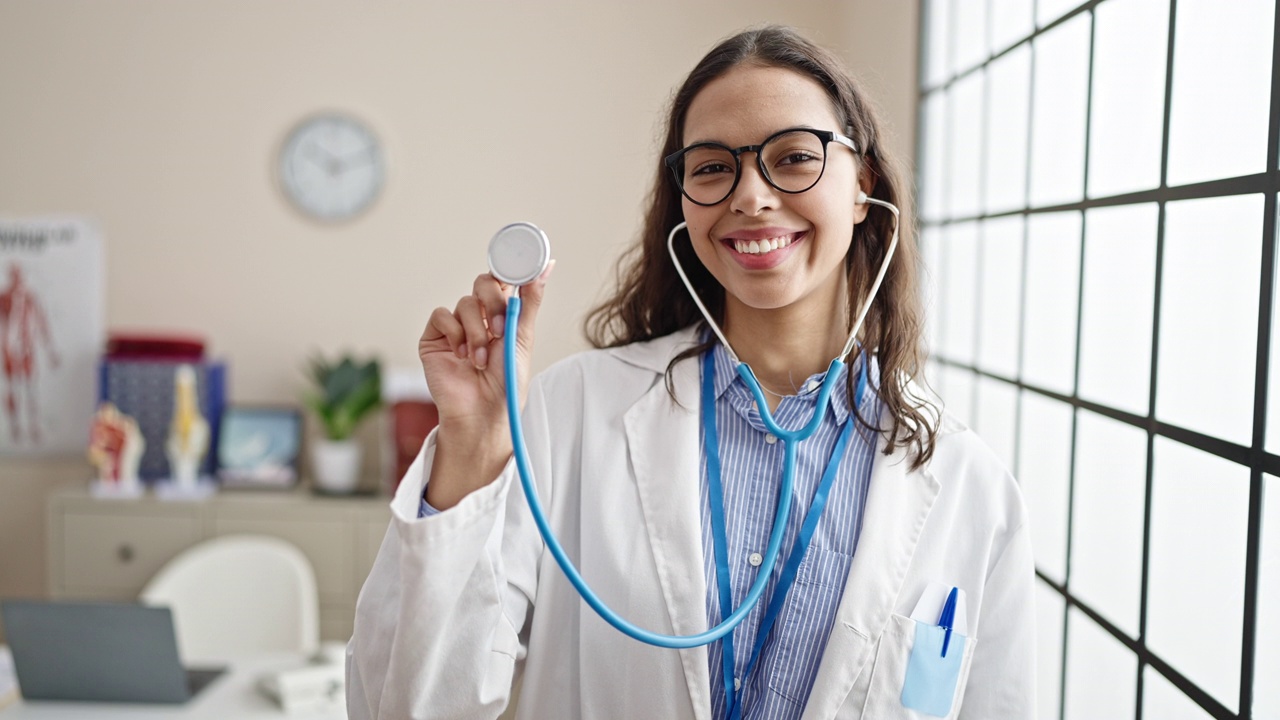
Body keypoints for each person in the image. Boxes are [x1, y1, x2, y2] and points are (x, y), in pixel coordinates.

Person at [347, 25, 1035, 720]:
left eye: (793, 157)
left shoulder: (969, 485)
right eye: (711, 168)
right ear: (682, 201)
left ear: (864, 186)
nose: (751, 196)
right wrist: (473, 445)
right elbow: (406, 708)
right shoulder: (572, 411)